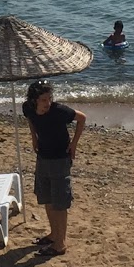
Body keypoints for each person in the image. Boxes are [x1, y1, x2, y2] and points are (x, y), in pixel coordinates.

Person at [23, 80, 86, 257]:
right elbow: (30, 119)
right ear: (34, 99)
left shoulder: (59, 111)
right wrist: (34, 138)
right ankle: (53, 235)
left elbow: (82, 118)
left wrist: (74, 144)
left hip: (60, 159)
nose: (48, 103)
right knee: (47, 197)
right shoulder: (27, 107)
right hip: (42, 157)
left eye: (49, 98)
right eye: (44, 99)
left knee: (59, 202)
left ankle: (60, 244)